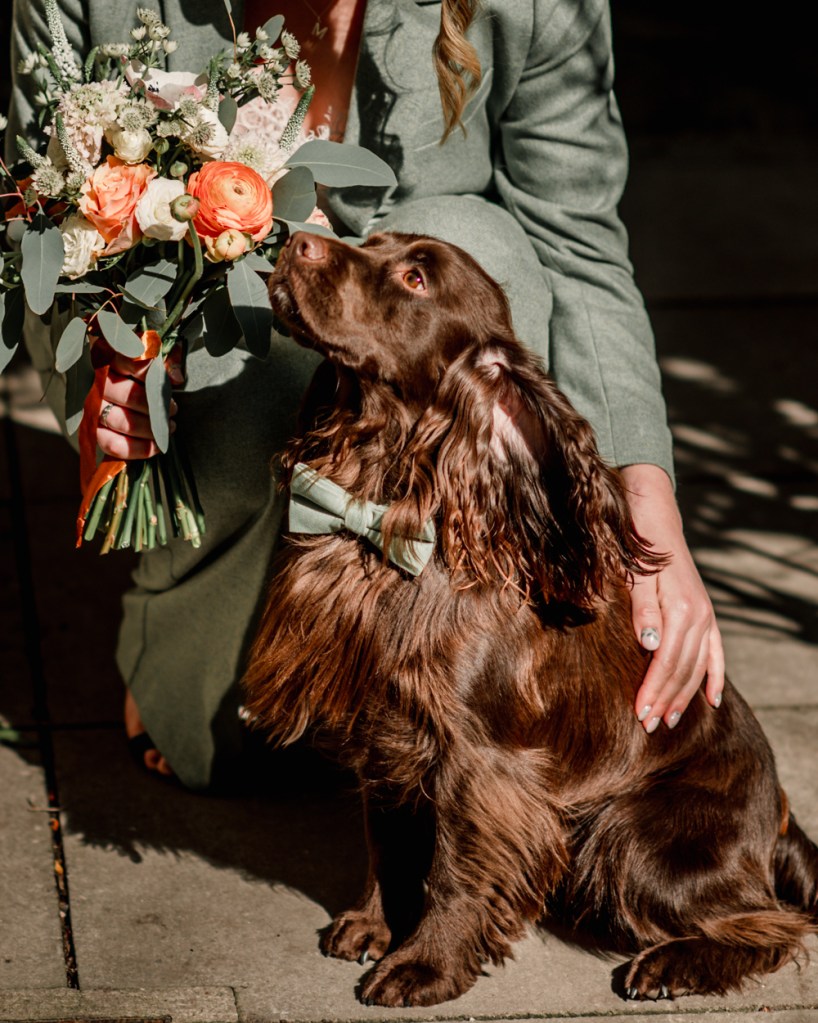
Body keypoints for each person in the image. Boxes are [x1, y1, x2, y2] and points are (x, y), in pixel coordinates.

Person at [8, 0, 724, 788]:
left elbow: (576, 242)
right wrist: (105, 385)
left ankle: (455, 673)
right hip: (231, 342)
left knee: (491, 265)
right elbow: (35, 233)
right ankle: (201, 636)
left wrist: (645, 503)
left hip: (412, 307)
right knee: (226, 752)